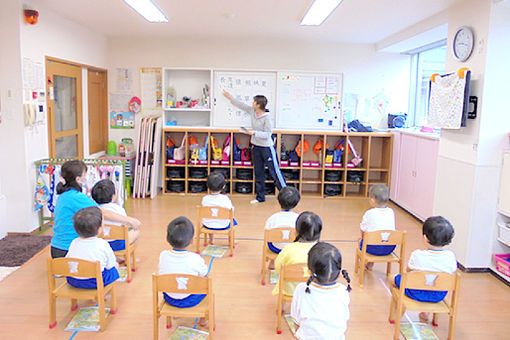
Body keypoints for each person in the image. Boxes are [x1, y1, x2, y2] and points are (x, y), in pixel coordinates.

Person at [51, 160, 142, 258]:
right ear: (78, 179)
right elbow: (102, 212)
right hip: (71, 250)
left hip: (57, 248)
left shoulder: (63, 196)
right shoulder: (76, 197)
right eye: (85, 176)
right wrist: (130, 220)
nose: (86, 179)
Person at [223, 91, 286, 204]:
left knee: (274, 171)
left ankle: (286, 196)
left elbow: (267, 134)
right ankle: (260, 197)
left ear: (258, 105)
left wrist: (254, 133)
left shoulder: (267, 118)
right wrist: (230, 98)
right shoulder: (253, 111)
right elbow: (241, 105)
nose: (252, 103)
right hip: (256, 147)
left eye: (254, 102)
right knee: (258, 172)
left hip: (267, 148)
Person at [393, 216, 457, 323]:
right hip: (438, 295)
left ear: (425, 238)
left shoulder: (417, 255)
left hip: (415, 292)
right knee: (432, 282)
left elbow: (408, 272)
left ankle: (398, 307)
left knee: (393, 279)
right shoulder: (450, 256)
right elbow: (450, 273)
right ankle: (426, 312)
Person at [291, 242, 351, 340]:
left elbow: (296, 324)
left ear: (310, 271)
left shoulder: (301, 289)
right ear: (338, 272)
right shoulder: (343, 291)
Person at [158, 216, 209, 325]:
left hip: (169, 297)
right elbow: (205, 273)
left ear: (167, 239)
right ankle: (203, 320)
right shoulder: (195, 258)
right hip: (190, 299)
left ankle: (175, 313)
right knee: (207, 283)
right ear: (191, 241)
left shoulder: (163, 255)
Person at [65, 207, 119, 289]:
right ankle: (105, 294)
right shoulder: (102, 244)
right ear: (99, 229)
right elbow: (110, 265)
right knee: (115, 266)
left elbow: (68, 261)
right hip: (95, 282)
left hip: (74, 280)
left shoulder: (74, 242)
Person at [272, 211, 322, 297]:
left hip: (289, 290)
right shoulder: (321, 251)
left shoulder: (289, 249)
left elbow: (277, 267)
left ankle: (282, 306)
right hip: (312, 290)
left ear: (296, 232)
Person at [91, 179, 140, 251]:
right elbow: (125, 224)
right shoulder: (118, 209)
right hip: (117, 244)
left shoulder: (94, 209)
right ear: (113, 196)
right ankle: (129, 257)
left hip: (100, 242)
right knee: (136, 230)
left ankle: (115, 257)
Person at [359, 184, 396, 270]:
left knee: (363, 240)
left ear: (372, 200)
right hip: (389, 247)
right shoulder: (391, 211)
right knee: (374, 237)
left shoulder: (370, 213)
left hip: (373, 247)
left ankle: (365, 264)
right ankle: (370, 263)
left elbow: (363, 229)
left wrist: (362, 238)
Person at [264, 186, 300, 268]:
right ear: (296, 203)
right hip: (292, 248)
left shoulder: (272, 218)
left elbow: (266, 232)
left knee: (272, 239)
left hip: (275, 248)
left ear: (278, 202)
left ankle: (273, 261)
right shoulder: (298, 218)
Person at [201, 171, 236, 244]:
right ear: (223, 186)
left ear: (207, 185)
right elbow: (231, 210)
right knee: (233, 220)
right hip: (223, 225)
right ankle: (231, 240)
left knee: (210, 217)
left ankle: (211, 239)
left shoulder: (205, 198)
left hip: (208, 225)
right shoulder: (225, 199)